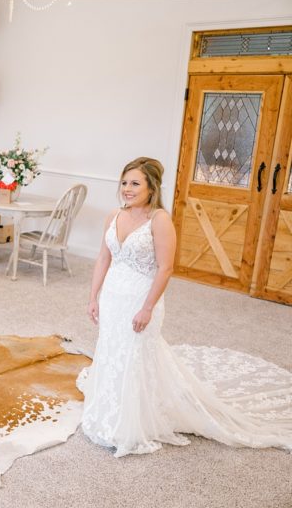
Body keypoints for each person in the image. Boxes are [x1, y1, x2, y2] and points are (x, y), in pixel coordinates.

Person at [78, 157, 292, 457]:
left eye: (135, 183)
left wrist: (147, 308)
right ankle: (110, 406)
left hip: (141, 297)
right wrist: (93, 296)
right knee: (112, 349)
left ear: (151, 187)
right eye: (124, 182)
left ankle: (132, 421)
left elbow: (165, 268)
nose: (127, 189)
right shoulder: (113, 216)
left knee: (136, 353)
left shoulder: (159, 220)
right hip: (113, 297)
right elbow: (103, 258)